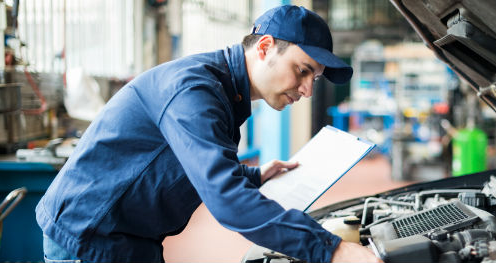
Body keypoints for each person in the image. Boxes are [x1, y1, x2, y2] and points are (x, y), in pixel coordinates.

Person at [36, 5, 381, 263]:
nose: (307, 90)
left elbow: (185, 159)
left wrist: (254, 174)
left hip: (128, 237)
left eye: (314, 79)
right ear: (264, 47)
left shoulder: (224, 90)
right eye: (302, 71)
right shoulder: (195, 90)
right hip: (90, 237)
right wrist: (333, 250)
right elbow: (227, 200)